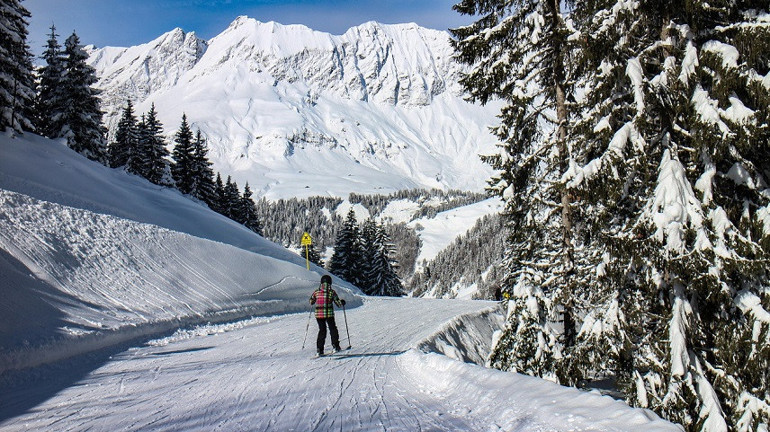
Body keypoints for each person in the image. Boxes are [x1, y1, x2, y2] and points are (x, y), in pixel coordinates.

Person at [310, 274, 346, 356]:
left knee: (322, 330)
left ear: (321, 283)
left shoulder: (316, 292)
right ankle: (335, 346)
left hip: (319, 315)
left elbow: (311, 301)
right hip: (329, 314)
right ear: (330, 283)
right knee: (332, 329)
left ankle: (319, 349)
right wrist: (342, 302)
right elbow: (338, 304)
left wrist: (313, 301)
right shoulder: (332, 292)